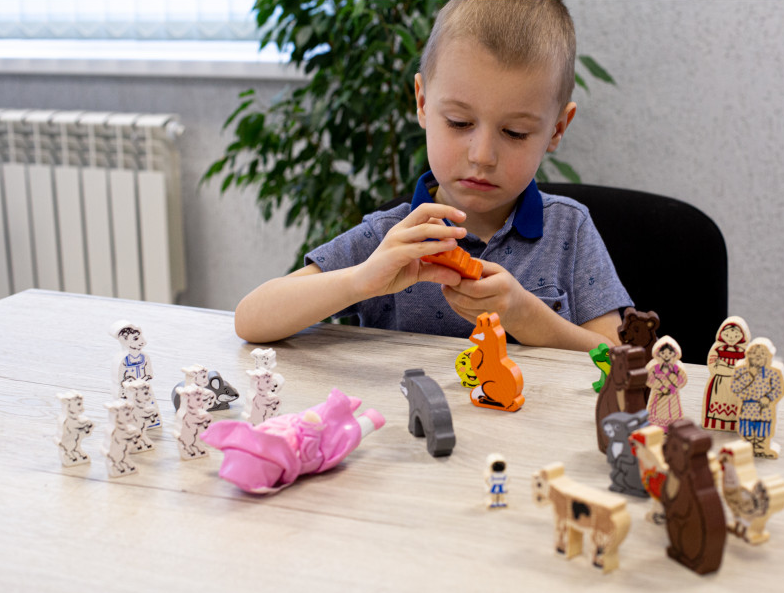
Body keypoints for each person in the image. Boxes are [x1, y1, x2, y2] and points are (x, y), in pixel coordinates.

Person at [235, 0, 632, 350]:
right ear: (423, 103)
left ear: (557, 129)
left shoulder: (569, 229)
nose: (482, 156)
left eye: (515, 132)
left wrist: (525, 314)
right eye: (459, 122)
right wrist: (361, 279)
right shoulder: (389, 237)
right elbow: (250, 319)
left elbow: (616, 357)